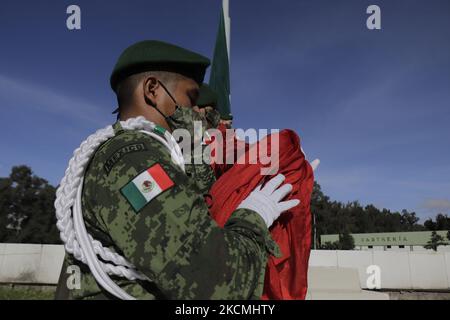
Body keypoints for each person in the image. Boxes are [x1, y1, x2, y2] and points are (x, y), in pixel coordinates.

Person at [55, 40, 299, 300]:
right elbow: (217, 283)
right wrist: (253, 217)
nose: (195, 112)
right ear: (152, 90)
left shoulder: (140, 151)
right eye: (190, 98)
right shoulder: (133, 161)